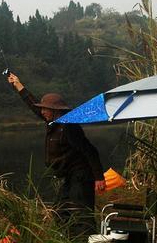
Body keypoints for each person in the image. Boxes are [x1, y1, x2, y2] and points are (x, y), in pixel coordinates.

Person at [7, 72, 105, 236]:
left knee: (81, 214)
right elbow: (32, 105)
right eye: (43, 109)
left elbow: (90, 150)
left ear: (55, 111)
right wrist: (18, 85)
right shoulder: (52, 121)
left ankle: (85, 239)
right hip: (69, 176)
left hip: (81, 176)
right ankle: (69, 238)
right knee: (60, 211)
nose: (42, 112)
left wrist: (99, 177)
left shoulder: (69, 127)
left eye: (45, 109)